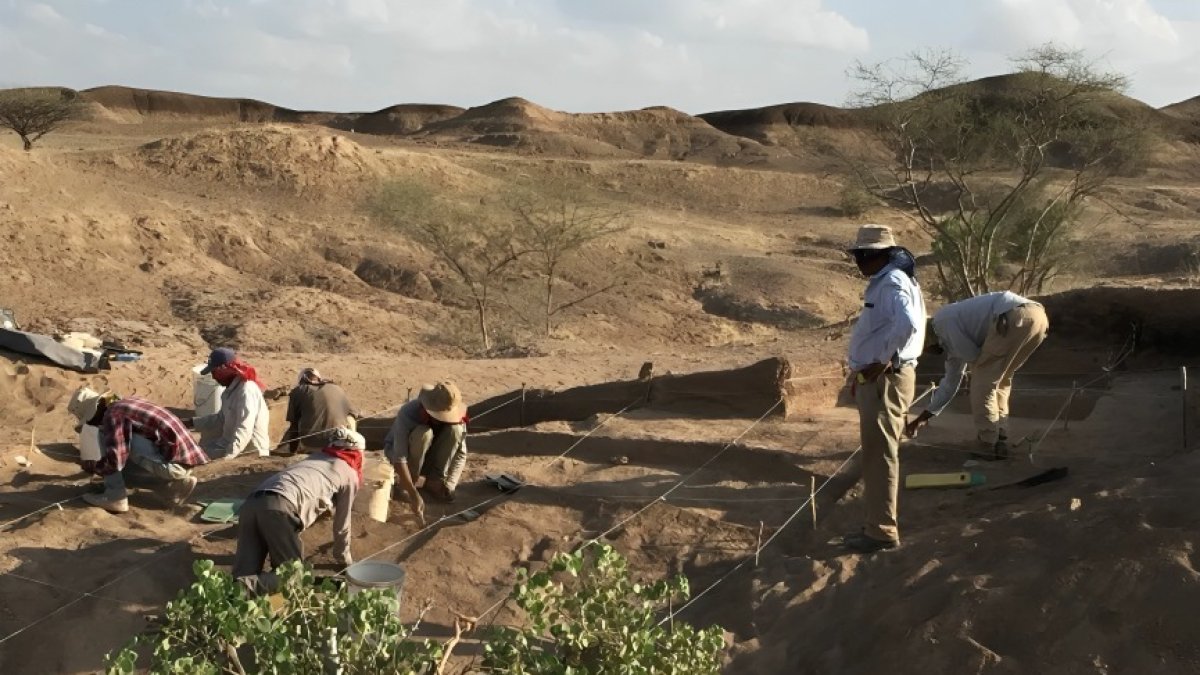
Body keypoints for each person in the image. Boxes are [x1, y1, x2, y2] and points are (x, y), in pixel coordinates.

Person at [842, 225, 926, 554]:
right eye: (857, 255)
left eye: (865, 255)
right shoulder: (891, 281)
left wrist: (882, 359)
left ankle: (880, 531)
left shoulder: (892, 282)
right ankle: (876, 523)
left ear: (884, 255)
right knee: (878, 453)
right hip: (881, 377)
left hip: (886, 379)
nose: (859, 262)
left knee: (879, 455)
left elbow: (908, 324)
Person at [906, 291, 1050, 459]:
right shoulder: (951, 336)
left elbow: (972, 356)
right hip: (1037, 318)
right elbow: (950, 384)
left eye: (923, 349)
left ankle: (987, 441)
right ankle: (1000, 437)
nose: (928, 353)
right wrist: (923, 417)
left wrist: (971, 367)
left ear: (925, 338)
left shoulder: (942, 322)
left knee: (982, 383)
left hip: (1012, 317)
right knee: (1001, 380)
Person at [232, 426, 363, 594]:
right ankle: (242, 588)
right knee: (292, 576)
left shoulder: (315, 458)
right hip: (281, 508)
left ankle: (232, 595)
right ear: (357, 454)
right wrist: (345, 560)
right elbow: (342, 525)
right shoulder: (349, 473)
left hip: (251, 503)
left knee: (245, 572)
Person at [67, 386, 209, 514]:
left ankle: (114, 496)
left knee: (107, 438)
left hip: (172, 465)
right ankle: (171, 487)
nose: (93, 424)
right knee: (121, 459)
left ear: (94, 412)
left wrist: (94, 467)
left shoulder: (113, 415)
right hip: (182, 461)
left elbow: (115, 460)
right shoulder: (127, 403)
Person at [383, 382, 469, 518]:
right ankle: (409, 481)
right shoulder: (409, 412)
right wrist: (413, 493)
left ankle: (434, 481)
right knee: (424, 433)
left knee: (456, 430)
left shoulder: (456, 418)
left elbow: (461, 453)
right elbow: (400, 458)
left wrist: (450, 484)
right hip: (401, 453)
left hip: (431, 455)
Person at [191, 347, 271, 459]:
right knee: (195, 452)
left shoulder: (246, 390)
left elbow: (245, 429)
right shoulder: (228, 391)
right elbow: (221, 418)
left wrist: (228, 458)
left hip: (249, 450)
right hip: (228, 444)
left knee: (198, 458)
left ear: (225, 369)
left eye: (215, 372)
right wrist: (191, 423)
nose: (214, 377)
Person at [281, 368, 359, 455]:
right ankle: (352, 447)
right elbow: (353, 414)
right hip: (341, 441)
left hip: (313, 445)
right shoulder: (336, 388)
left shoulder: (299, 390)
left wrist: (292, 452)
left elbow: (294, 426)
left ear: (301, 381)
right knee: (350, 417)